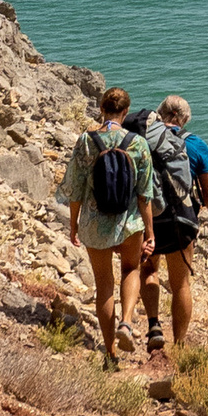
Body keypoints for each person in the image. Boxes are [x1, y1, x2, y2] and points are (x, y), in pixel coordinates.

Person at [60, 82, 155, 362]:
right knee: (131, 270)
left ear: (101, 109)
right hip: (129, 223)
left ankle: (110, 352)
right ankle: (126, 321)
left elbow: (75, 189)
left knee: (104, 285)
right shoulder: (137, 143)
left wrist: (74, 224)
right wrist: (150, 231)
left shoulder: (86, 141)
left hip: (94, 222)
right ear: (125, 112)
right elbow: (145, 193)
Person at [129, 93, 208, 359]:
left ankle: (154, 325)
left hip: (148, 218)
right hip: (182, 220)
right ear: (184, 120)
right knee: (180, 283)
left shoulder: (142, 140)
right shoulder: (195, 145)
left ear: (160, 115)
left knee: (148, 268)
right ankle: (179, 345)